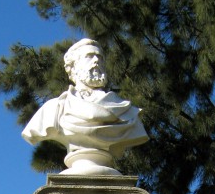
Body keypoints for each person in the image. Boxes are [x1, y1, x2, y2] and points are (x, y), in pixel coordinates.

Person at [21, 38, 148, 174]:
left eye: (99, 57)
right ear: (73, 67)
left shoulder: (125, 111)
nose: (96, 61)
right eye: (89, 56)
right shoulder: (54, 110)